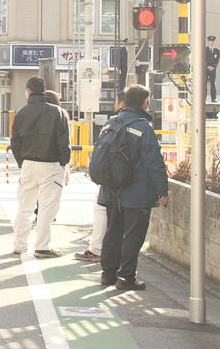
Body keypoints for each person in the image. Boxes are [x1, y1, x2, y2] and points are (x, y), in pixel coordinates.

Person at [98, 84, 169, 291]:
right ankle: (126, 277)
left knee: (113, 231)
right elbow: (154, 162)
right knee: (133, 235)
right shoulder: (143, 127)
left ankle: (108, 273)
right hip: (136, 192)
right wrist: (162, 191)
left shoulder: (111, 123)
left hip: (111, 189)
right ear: (144, 102)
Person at [10, 76, 71, 257]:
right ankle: (42, 246)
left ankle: (19, 244)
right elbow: (63, 141)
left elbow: (15, 142)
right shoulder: (57, 112)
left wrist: (21, 161)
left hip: (28, 164)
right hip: (51, 164)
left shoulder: (21, 112)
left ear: (28, 91)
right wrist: (63, 162)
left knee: (25, 206)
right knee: (47, 207)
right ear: (43, 90)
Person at [75, 90, 126, 262]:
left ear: (121, 103)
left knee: (102, 209)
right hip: (122, 178)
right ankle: (107, 252)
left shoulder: (115, 123)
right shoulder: (142, 124)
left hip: (113, 178)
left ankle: (98, 250)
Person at [206, 35, 220, 102]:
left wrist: (213, 67)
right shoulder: (204, 50)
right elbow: (202, 59)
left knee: (213, 84)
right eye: (210, 41)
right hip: (205, 70)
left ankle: (213, 98)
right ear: (208, 42)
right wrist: (207, 66)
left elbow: (217, 60)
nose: (211, 42)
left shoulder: (217, 51)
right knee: (204, 84)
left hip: (213, 70)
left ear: (214, 42)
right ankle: (203, 98)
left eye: (213, 41)